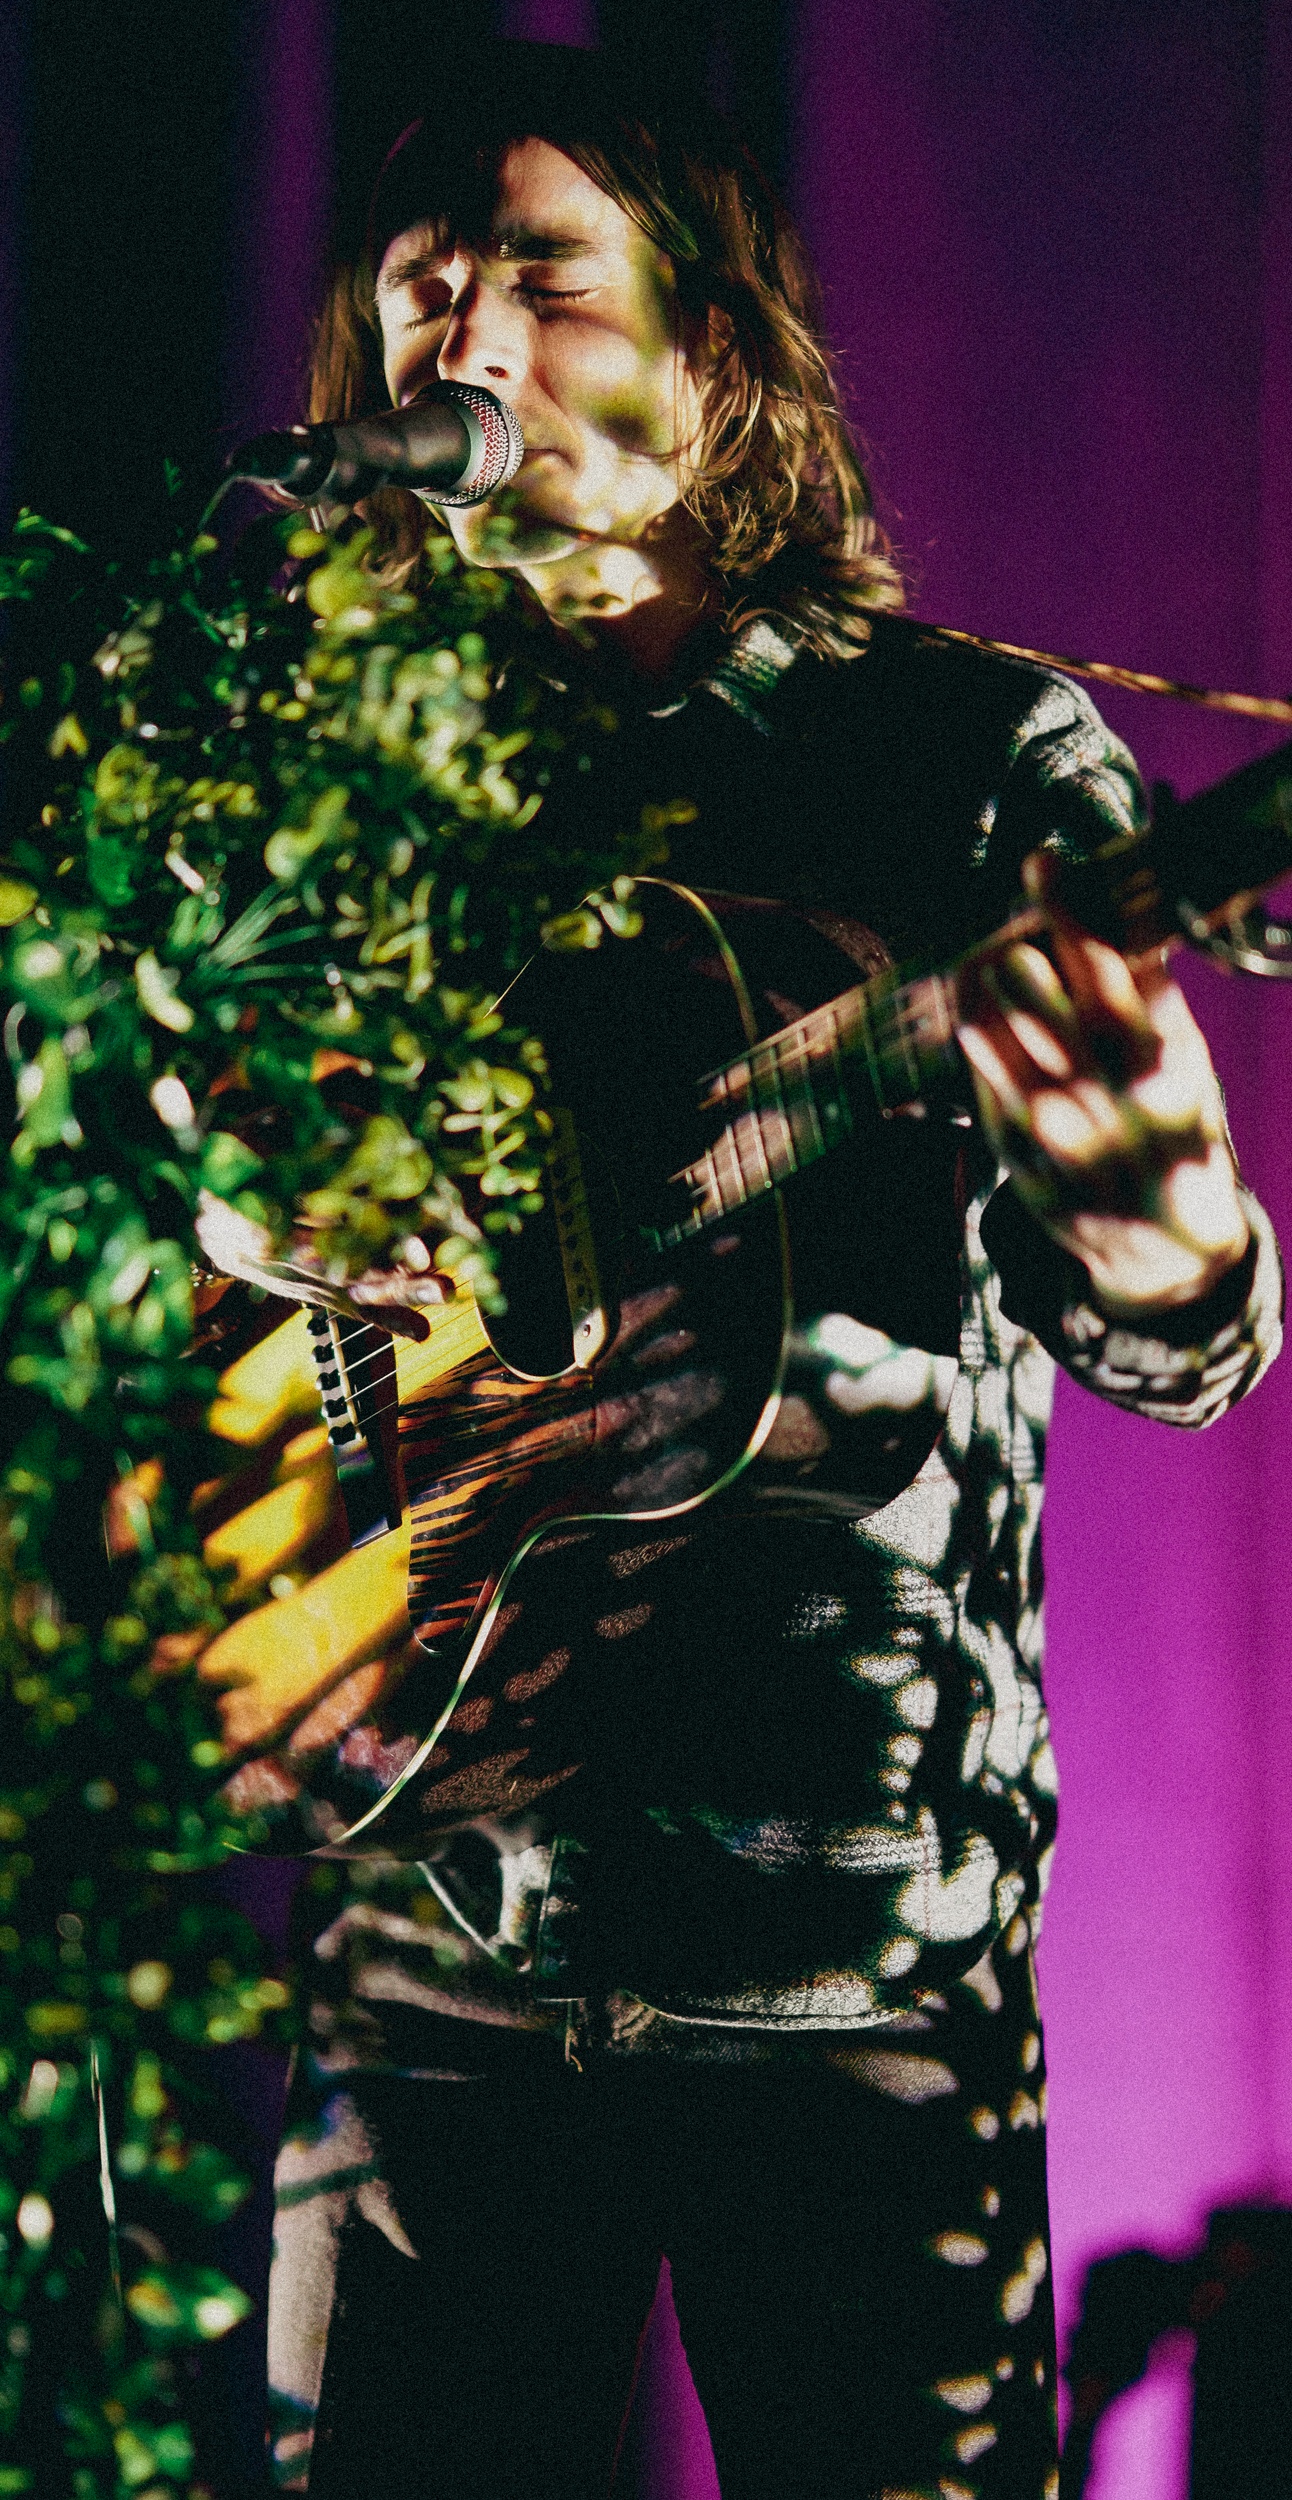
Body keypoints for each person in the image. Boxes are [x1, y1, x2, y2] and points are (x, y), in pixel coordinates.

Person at [219, 46, 1282, 2500]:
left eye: (538, 271)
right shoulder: (349, 797)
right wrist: (266, 1327)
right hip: (434, 1924)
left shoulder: (961, 763)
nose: (455, 330)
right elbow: (224, 1280)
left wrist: (1158, 1194)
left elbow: (1186, 1340)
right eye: (414, 288)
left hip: (847, 1954)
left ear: (714, 363)